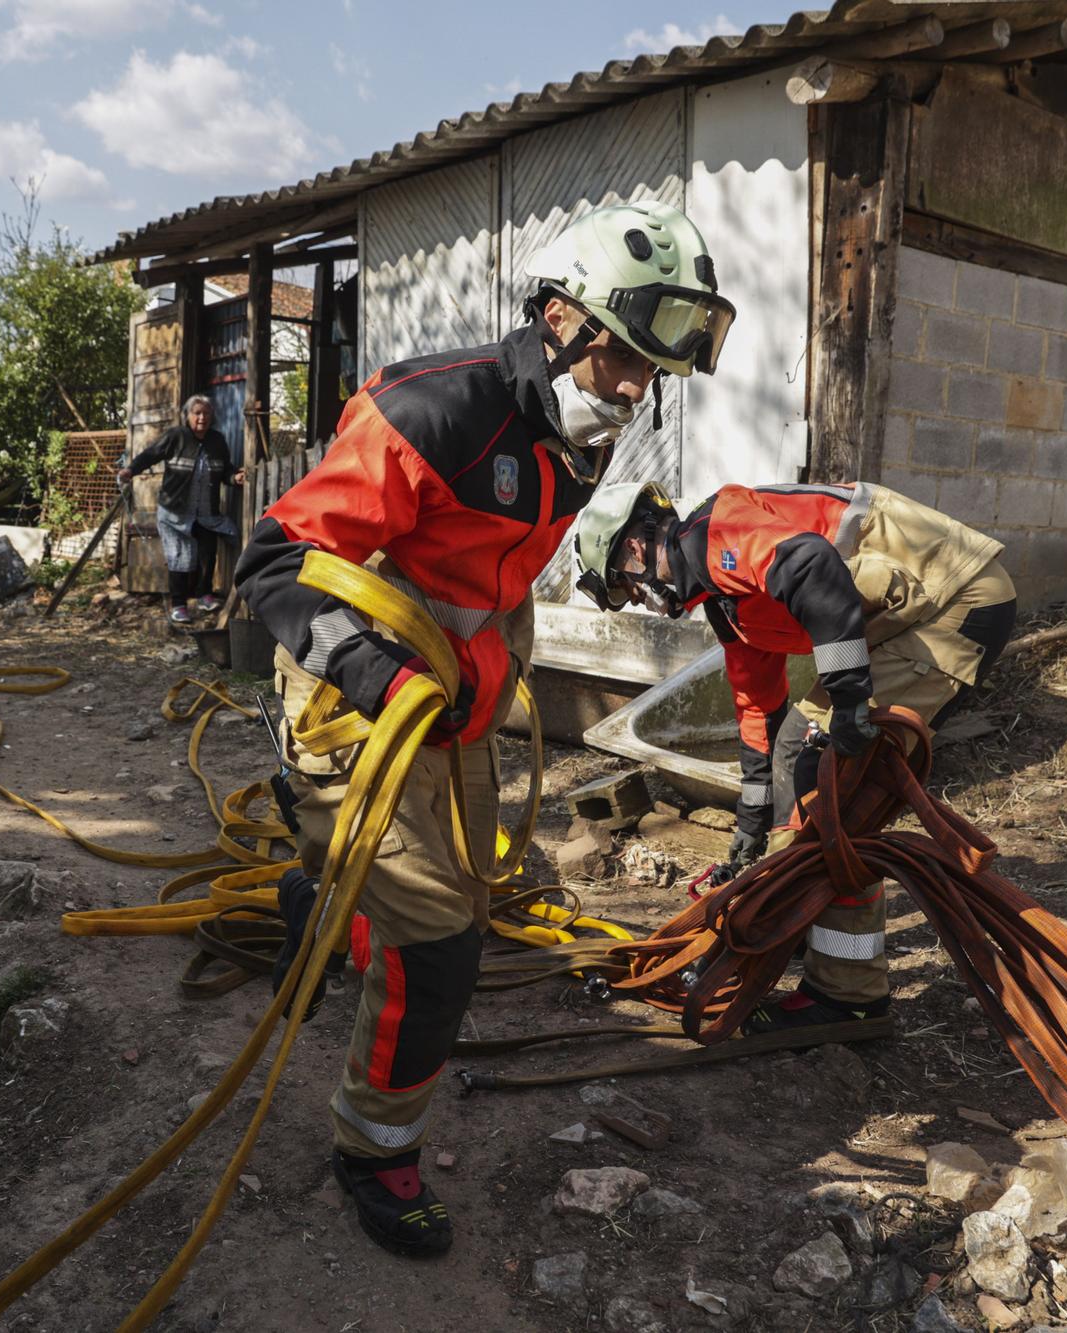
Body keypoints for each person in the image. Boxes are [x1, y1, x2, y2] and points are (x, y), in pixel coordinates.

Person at [236, 201, 733, 1258]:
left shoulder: (571, 440)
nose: (635, 394)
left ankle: (311, 898)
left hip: (450, 702)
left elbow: (491, 578)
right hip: (355, 700)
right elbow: (271, 565)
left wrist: (477, 678)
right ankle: (373, 1147)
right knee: (442, 944)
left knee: (462, 887)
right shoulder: (433, 412)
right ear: (560, 318)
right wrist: (380, 676)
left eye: (653, 375)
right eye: (623, 366)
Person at [573, 477, 1017, 1041]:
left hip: (954, 601)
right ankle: (802, 912)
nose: (642, 602)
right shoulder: (723, 593)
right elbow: (758, 707)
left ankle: (847, 997)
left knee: (834, 789)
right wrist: (750, 827)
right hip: (916, 610)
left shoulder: (717, 536)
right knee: (794, 751)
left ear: (634, 550)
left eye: (627, 589)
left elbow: (811, 565)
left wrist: (851, 700)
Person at [118, 396, 245, 625]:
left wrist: (235, 477)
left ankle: (204, 595)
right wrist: (131, 470)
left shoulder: (217, 441)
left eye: (206, 413)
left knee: (207, 553)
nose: (202, 418)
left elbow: (225, 470)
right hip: (176, 511)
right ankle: (179, 605)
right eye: (196, 413)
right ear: (187, 415)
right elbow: (151, 454)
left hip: (206, 512)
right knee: (180, 557)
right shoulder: (177, 436)